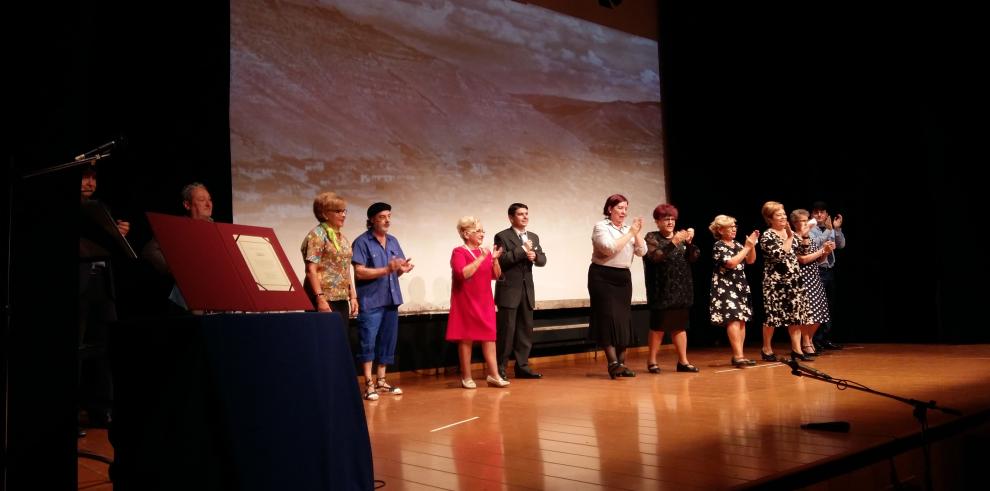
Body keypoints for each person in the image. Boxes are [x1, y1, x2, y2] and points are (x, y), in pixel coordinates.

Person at [78, 166, 131, 430]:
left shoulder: (101, 208)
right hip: (79, 284)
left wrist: (118, 232)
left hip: (103, 284)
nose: (90, 183)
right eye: (85, 177)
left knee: (106, 349)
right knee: (75, 350)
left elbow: (110, 247)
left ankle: (103, 411)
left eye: (94, 178)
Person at [351, 202, 414, 401]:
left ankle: (381, 380)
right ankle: (368, 383)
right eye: (382, 217)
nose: (387, 220)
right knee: (368, 341)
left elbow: (398, 265)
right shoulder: (362, 242)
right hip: (371, 299)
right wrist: (386, 269)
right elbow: (359, 272)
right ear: (371, 220)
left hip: (391, 298)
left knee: (388, 341)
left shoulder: (393, 240)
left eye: (389, 216)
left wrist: (403, 268)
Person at [446, 216, 508, 389]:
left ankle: (494, 375)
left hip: (485, 300)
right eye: (478, 231)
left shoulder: (484, 252)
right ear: (466, 234)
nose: (482, 234)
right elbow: (463, 273)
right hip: (465, 301)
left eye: (483, 231)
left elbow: (496, 276)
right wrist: (482, 258)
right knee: (466, 338)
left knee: (489, 337)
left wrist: (494, 259)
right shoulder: (459, 252)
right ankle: (466, 376)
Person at [588, 194, 646, 379]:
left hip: (622, 277)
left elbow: (642, 251)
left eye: (626, 208)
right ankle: (612, 363)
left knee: (623, 320)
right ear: (610, 209)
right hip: (602, 276)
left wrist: (636, 233)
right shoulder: (601, 227)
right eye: (620, 208)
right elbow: (608, 248)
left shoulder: (629, 229)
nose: (623, 212)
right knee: (607, 318)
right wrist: (630, 233)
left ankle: (621, 364)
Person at [643, 204, 701, 373]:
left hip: (681, 290)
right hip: (661, 290)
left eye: (672, 219)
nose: (670, 222)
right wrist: (674, 242)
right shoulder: (652, 237)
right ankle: (652, 361)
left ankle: (683, 361)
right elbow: (655, 257)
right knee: (658, 326)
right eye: (666, 219)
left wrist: (689, 243)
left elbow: (694, 257)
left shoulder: (681, 237)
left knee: (680, 326)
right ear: (657, 221)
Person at [140, 182, 214, 312]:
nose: (208, 204)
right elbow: (150, 251)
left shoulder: (216, 229)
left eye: (209, 200)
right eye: (202, 200)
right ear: (187, 205)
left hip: (215, 292)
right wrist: (175, 270)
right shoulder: (177, 227)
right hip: (187, 298)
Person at [493, 203, 547, 380]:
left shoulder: (533, 236)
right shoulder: (502, 236)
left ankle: (522, 366)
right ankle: (500, 368)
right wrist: (523, 250)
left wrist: (535, 257)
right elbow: (502, 261)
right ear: (511, 218)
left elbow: (543, 259)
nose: (525, 217)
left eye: (526, 214)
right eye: (520, 214)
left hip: (527, 290)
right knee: (506, 332)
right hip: (509, 290)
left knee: (525, 331)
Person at [758, 201, 811, 362]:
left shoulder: (791, 234)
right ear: (770, 218)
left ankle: (797, 350)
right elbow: (780, 254)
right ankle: (766, 348)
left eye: (783, 213)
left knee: (796, 316)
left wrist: (804, 235)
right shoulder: (768, 235)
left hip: (794, 280)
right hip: (775, 283)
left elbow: (803, 251)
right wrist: (789, 236)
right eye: (778, 214)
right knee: (772, 317)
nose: (783, 217)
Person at [708, 215, 759, 367]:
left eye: (734, 226)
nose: (733, 229)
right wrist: (747, 247)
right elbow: (730, 263)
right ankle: (738, 356)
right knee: (733, 319)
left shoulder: (737, 244)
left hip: (740, 285)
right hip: (725, 286)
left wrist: (752, 245)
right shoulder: (719, 246)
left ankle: (740, 354)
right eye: (730, 227)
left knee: (741, 320)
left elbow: (750, 260)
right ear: (720, 230)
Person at [301, 191, 358, 318]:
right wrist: (320, 298)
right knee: (324, 337)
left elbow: (345, 268)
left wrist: (352, 296)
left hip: (341, 299)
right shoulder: (317, 235)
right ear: (324, 213)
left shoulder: (342, 238)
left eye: (344, 211)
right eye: (338, 211)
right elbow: (311, 270)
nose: (343, 215)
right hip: (323, 299)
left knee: (340, 337)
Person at [791, 209, 835, 357]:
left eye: (806, 220)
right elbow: (802, 259)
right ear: (795, 223)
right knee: (807, 314)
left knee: (819, 314)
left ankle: (808, 339)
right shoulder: (794, 238)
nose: (805, 224)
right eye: (801, 221)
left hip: (815, 277)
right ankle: (805, 342)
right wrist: (821, 251)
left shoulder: (811, 237)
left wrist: (826, 252)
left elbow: (819, 261)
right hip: (802, 279)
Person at [809, 200, 846, 350]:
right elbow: (816, 244)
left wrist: (836, 229)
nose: (819, 214)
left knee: (829, 306)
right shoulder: (810, 229)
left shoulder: (830, 229)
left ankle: (824, 338)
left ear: (826, 215)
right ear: (812, 214)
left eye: (822, 212)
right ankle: (813, 340)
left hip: (829, 270)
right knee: (818, 307)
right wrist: (829, 230)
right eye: (816, 212)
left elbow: (841, 244)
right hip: (816, 271)